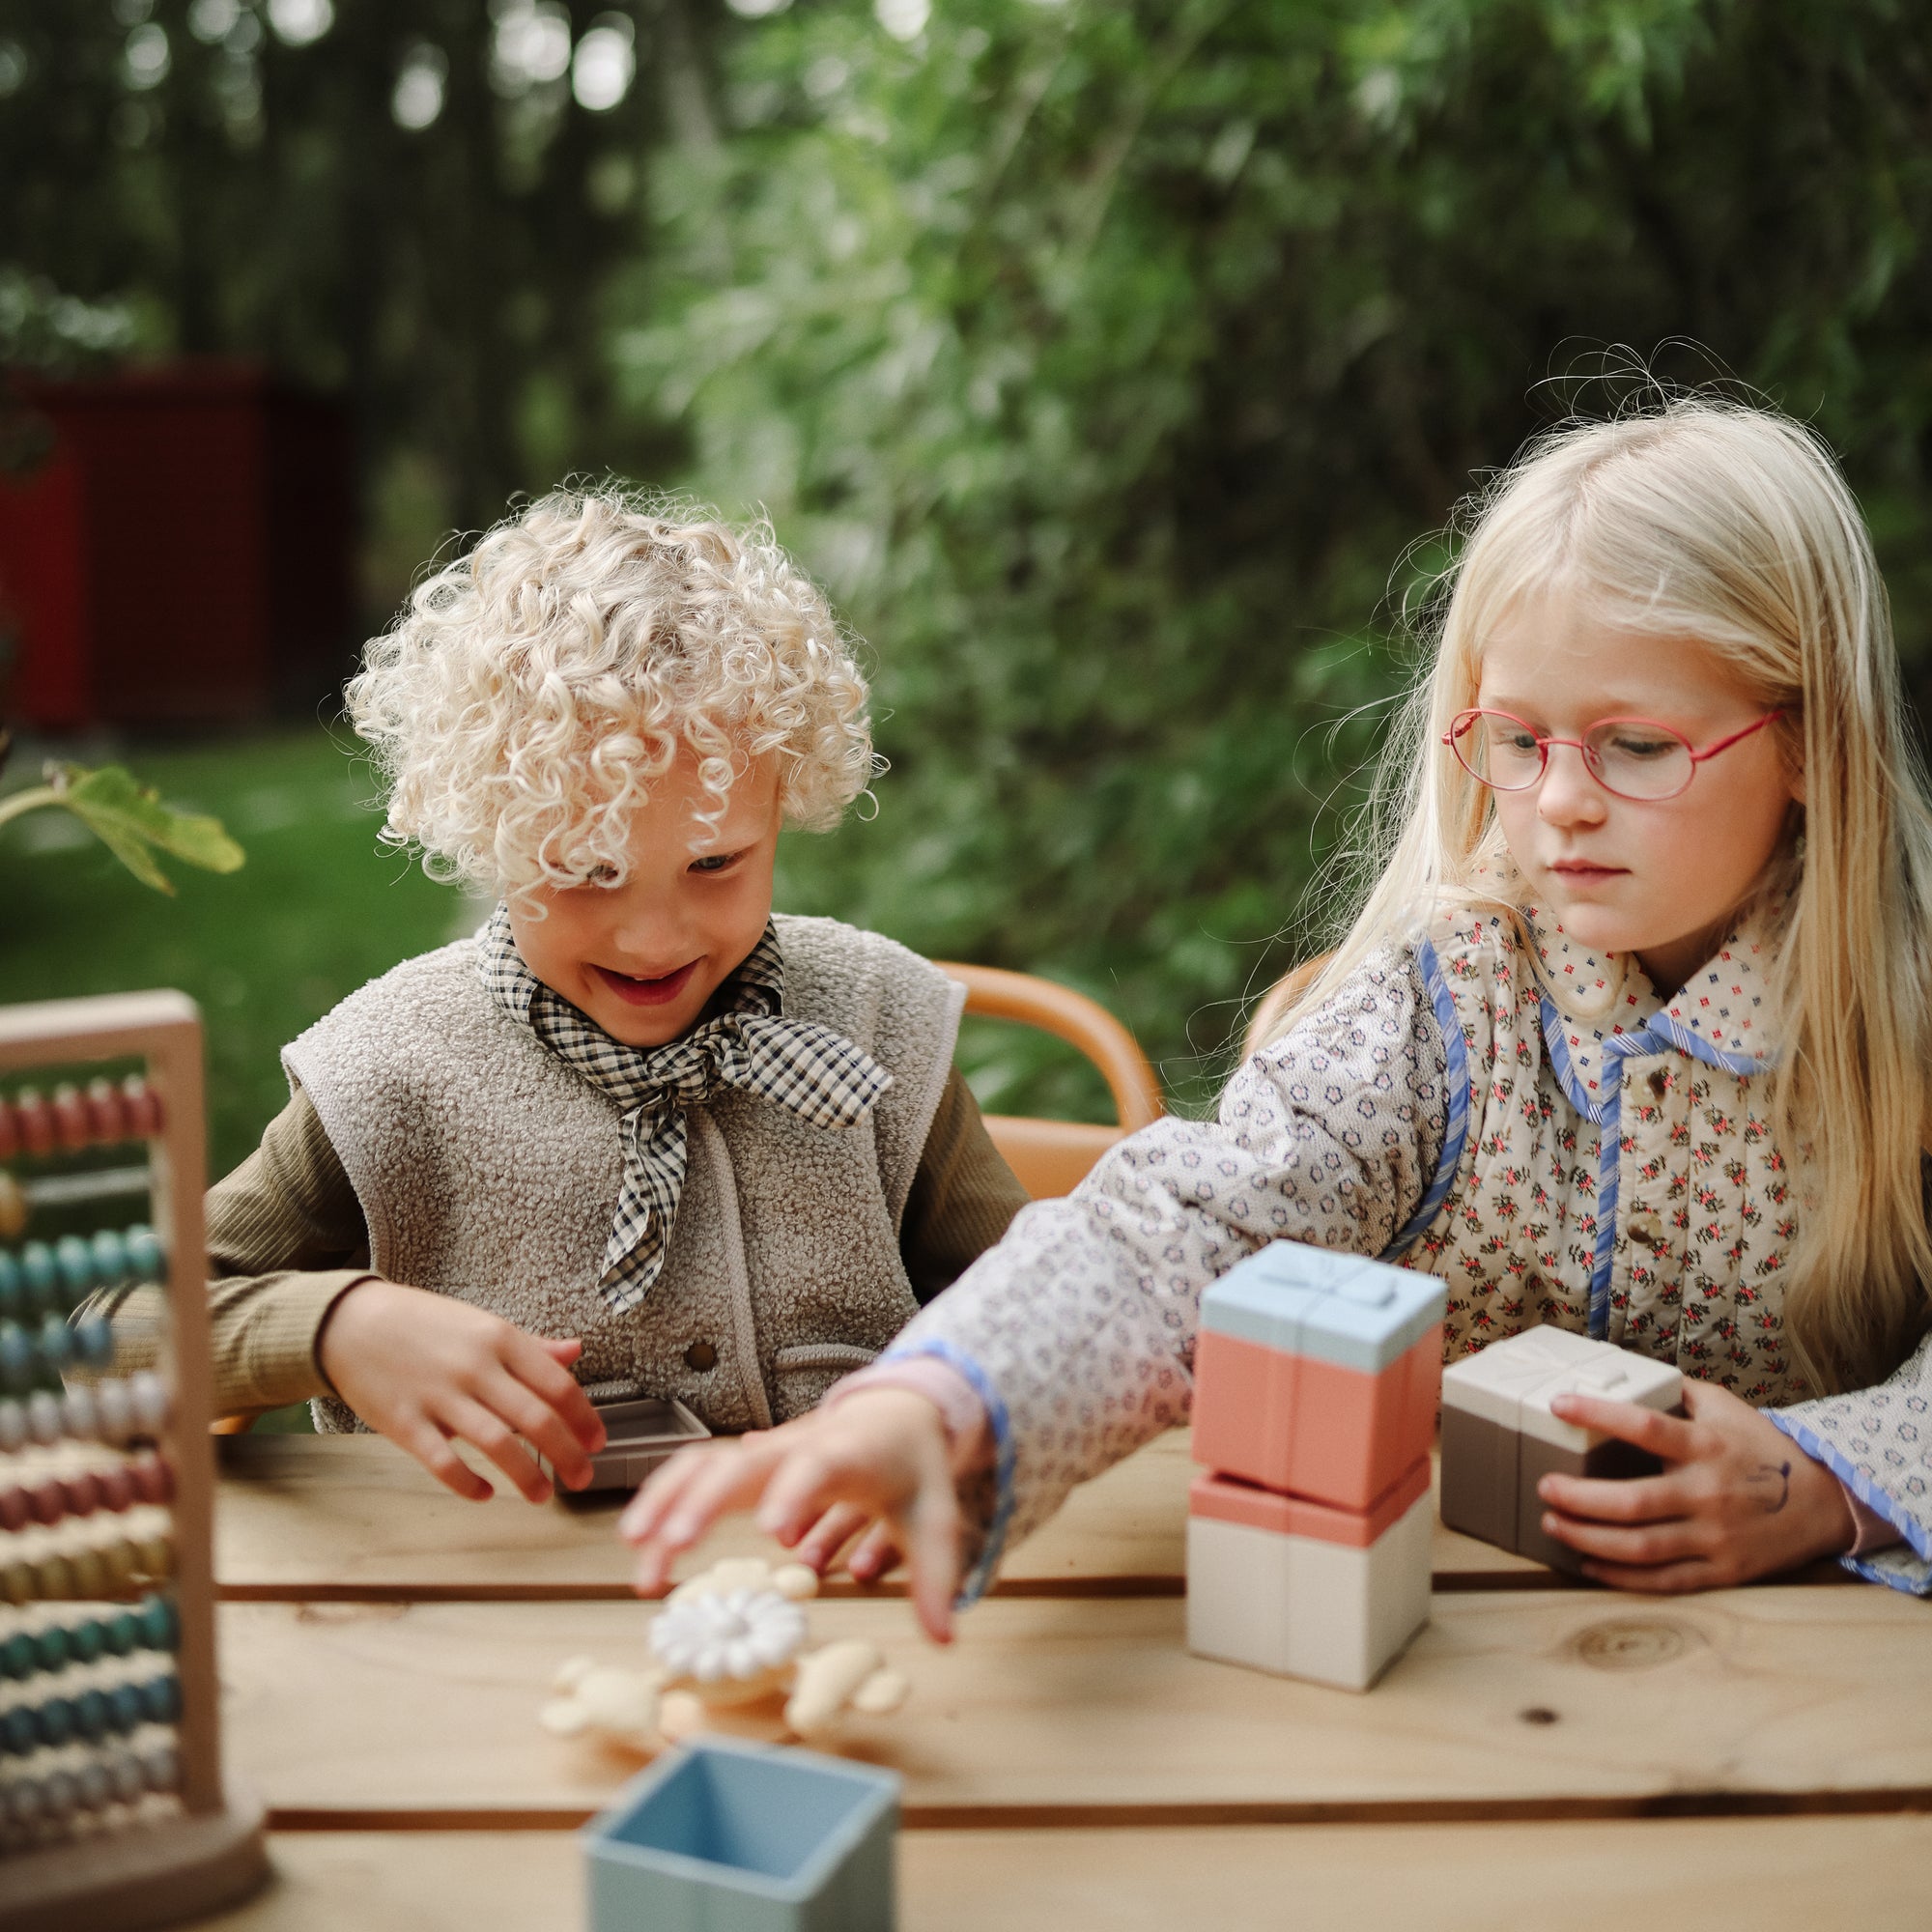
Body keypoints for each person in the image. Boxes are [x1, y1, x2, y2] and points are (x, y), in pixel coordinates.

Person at [620, 397, 1932, 1639]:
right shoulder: (1444, 1004)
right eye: (1518, 740)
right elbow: (1183, 1230)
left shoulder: (1900, 1016)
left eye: (1636, 746)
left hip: (1816, 1668)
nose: (1558, 803)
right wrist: (934, 1397)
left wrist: (1827, 1481)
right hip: (1422, 1642)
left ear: (1807, 738)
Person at [99, 492, 1028, 1509]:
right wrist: (333, 1328)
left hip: (839, 1579)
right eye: (586, 871)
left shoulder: (881, 1026)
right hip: (479, 1594)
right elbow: (108, 1333)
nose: (655, 937)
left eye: (715, 862)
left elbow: (1047, 1308)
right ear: (488, 831)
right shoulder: (388, 1075)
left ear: (783, 806)